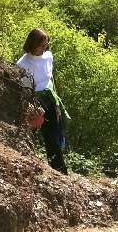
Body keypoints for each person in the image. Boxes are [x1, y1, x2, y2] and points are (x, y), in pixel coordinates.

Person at [16, 28, 69, 173]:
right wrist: (33, 108)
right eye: (41, 45)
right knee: (30, 135)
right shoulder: (23, 64)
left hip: (51, 100)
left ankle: (59, 171)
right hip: (36, 102)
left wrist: (55, 96)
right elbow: (25, 89)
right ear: (32, 44)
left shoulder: (48, 56)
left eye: (46, 45)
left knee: (53, 137)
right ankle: (28, 167)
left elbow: (50, 77)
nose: (44, 48)